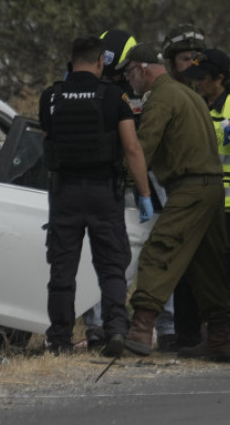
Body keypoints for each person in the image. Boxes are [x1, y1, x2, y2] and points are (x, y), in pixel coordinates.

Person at [119, 43, 230, 362]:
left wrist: (130, 183)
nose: (130, 82)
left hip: (190, 187)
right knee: (207, 264)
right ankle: (220, 338)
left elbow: (143, 148)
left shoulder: (160, 97)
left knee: (160, 250)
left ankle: (141, 329)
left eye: (130, 74)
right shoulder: (189, 94)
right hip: (212, 188)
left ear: (142, 69)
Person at [39, 36, 153, 357]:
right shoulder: (114, 96)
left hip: (65, 194)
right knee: (111, 266)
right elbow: (131, 148)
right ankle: (116, 329)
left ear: (71, 61)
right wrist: (144, 193)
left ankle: (59, 339)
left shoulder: (51, 96)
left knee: (62, 269)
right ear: (101, 62)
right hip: (104, 192)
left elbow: (48, 144)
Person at [181, 48, 230, 354]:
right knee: (195, 273)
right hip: (197, 203)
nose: (196, 84)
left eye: (202, 78)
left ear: (220, 79)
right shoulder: (191, 105)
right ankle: (195, 337)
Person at [81, 27, 140, 349]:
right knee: (104, 258)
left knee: (119, 258)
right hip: (105, 186)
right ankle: (97, 325)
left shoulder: (137, 90)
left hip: (118, 186)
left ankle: (106, 323)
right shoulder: (88, 87)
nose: (115, 81)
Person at [157, 23, 208, 350]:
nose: (192, 63)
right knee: (167, 258)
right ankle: (168, 328)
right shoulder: (163, 94)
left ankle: (201, 329)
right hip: (170, 185)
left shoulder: (214, 91)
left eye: (197, 57)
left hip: (209, 189)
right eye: (185, 57)